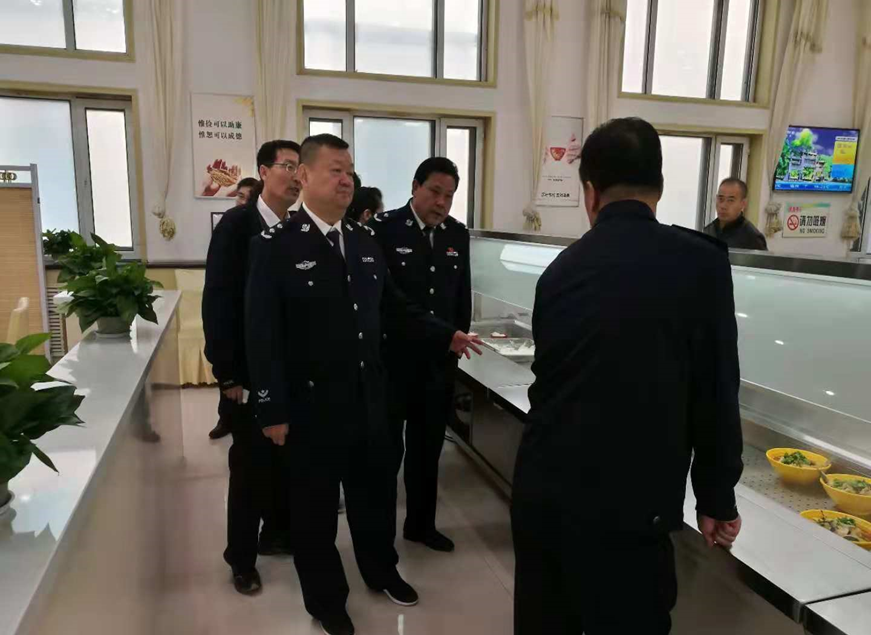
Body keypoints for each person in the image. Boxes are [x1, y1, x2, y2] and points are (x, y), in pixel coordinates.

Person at [511, 117, 744, 635]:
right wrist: (716, 497)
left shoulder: (561, 270)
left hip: (546, 494)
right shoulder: (700, 264)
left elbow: (550, 381)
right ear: (658, 187)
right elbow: (714, 390)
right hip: (634, 508)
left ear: (590, 192)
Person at [245, 134, 482, 635]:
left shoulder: (364, 240)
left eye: (349, 170)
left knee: (373, 496)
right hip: (310, 404)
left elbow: (394, 307)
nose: (346, 179)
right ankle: (327, 600)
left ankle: (381, 570)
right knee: (314, 511)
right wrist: (271, 409)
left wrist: (446, 334)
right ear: (304, 175)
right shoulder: (276, 245)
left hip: (370, 398)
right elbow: (261, 334)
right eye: (334, 169)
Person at [203, 139, 302, 595]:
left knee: (283, 460)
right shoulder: (237, 225)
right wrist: (227, 373)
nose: (295, 176)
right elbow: (218, 301)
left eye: (300, 168)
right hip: (245, 372)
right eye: (287, 166)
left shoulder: (297, 227)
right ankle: (240, 559)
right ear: (264, 171)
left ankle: (276, 533)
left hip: (286, 370)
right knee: (249, 468)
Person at [370, 158, 471, 553]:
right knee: (386, 453)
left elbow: (460, 297)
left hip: (436, 364)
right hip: (393, 362)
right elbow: (383, 300)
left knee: (427, 450)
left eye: (449, 196)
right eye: (435, 192)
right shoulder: (384, 229)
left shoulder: (456, 234)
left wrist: (454, 346)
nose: (441, 202)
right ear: (415, 187)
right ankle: (380, 536)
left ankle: (421, 525)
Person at [704, 178, 768, 250]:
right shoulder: (708, 230)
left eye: (730, 200)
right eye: (721, 199)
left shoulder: (752, 238)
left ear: (743, 203)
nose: (723, 206)